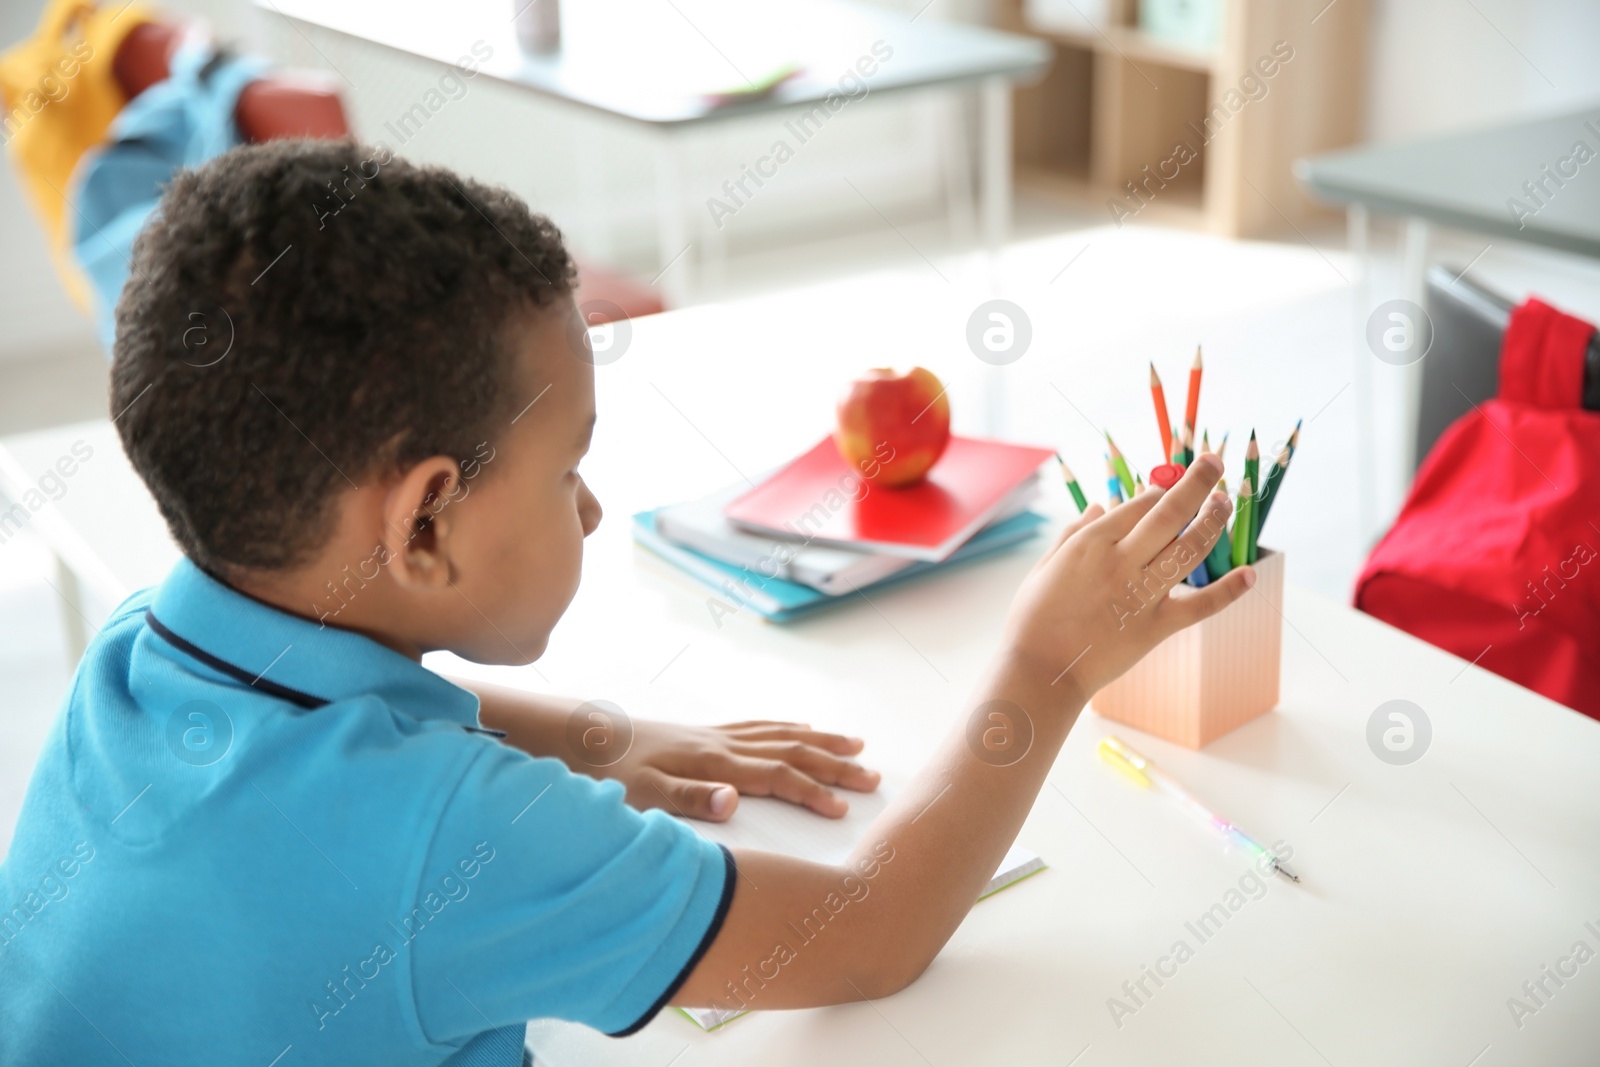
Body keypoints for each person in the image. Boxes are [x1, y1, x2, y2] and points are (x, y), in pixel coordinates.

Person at [0, 139, 1252, 1065]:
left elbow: (364, 730)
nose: (590, 509)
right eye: (567, 468)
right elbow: (873, 933)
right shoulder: (451, 836)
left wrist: (604, 736)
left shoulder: (140, 652)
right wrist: (1043, 666)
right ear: (425, 520)